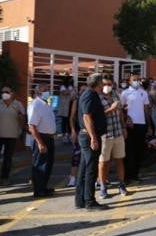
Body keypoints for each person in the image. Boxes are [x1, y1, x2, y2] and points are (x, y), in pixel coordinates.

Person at [76, 73, 109, 210]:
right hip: (89, 137)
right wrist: (94, 137)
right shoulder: (89, 95)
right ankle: (89, 201)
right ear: (98, 83)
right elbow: (86, 117)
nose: (104, 84)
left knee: (84, 169)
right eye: (102, 82)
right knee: (90, 170)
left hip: (90, 136)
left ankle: (81, 200)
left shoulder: (91, 94)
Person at [98, 74, 128, 199]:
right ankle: (103, 186)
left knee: (119, 159)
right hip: (105, 134)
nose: (107, 87)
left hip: (117, 132)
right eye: (104, 84)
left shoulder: (115, 94)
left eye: (109, 84)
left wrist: (123, 127)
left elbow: (120, 112)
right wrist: (110, 109)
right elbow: (96, 116)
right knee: (103, 162)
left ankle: (121, 184)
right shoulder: (97, 97)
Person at [0, 86, 26, 186]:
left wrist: (21, 122)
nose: (4, 93)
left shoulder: (18, 104)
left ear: (12, 93)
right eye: (2, 92)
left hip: (12, 135)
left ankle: (5, 177)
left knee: (8, 158)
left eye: (6, 92)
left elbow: (23, 119)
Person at [121, 73, 151, 184]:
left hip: (141, 125)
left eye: (138, 79)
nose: (137, 81)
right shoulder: (125, 93)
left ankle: (135, 175)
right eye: (134, 79)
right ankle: (126, 176)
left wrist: (149, 126)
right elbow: (121, 109)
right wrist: (126, 119)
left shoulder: (144, 93)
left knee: (139, 151)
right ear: (129, 81)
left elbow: (146, 110)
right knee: (129, 151)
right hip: (130, 126)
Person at [28, 84, 56, 198]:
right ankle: (38, 190)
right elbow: (32, 126)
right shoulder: (35, 105)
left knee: (48, 164)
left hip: (49, 138)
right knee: (40, 165)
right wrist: (40, 142)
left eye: (48, 90)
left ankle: (43, 187)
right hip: (41, 138)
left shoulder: (45, 104)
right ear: (38, 92)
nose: (48, 92)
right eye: (45, 90)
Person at [58, 77, 74, 144]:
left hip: (71, 104)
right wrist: (70, 91)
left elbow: (73, 94)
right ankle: (64, 135)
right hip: (65, 106)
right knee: (64, 121)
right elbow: (64, 92)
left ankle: (70, 135)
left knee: (70, 120)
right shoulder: (63, 86)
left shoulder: (71, 87)